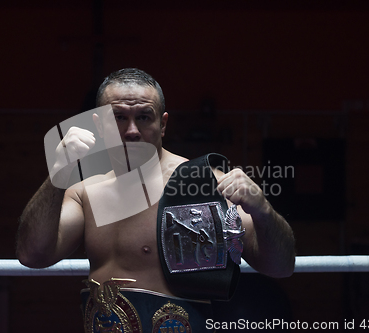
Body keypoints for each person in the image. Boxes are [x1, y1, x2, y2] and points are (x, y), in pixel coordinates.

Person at [16, 68, 295, 332]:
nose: (132, 130)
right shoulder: (85, 193)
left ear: (162, 124)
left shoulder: (204, 183)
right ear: (99, 126)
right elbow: (33, 255)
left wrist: (264, 211)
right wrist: (58, 174)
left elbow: (280, 267)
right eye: (119, 118)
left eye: (144, 117)